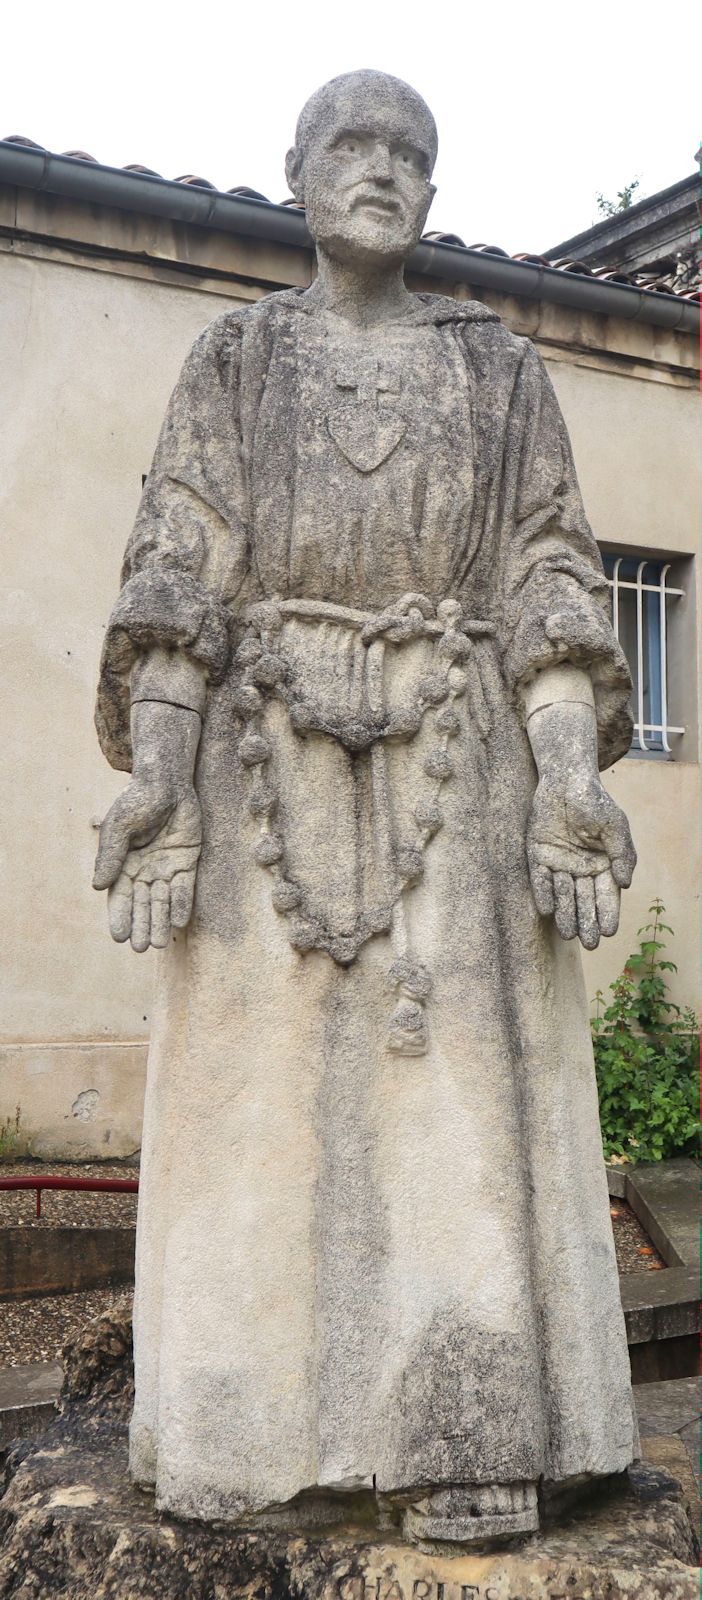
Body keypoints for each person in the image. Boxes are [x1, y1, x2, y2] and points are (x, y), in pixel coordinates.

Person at [93, 70, 637, 1543]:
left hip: (455, 761)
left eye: (409, 153)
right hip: (261, 757)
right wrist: (159, 770)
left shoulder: (498, 369)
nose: (382, 172)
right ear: (299, 175)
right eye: (355, 147)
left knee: (450, 1116)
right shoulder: (234, 359)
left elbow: (546, 572)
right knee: (254, 1115)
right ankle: (246, 1427)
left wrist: (567, 763)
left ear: (432, 192)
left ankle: (462, 1431)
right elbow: (180, 561)